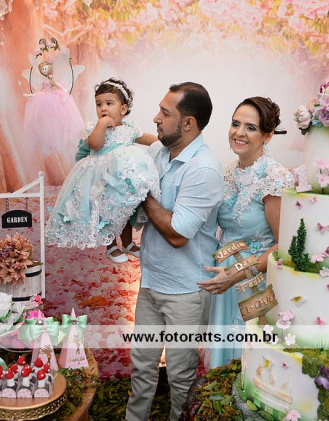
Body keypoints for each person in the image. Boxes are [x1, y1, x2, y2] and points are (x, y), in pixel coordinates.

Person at [126, 82, 223, 421]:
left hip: (185, 292)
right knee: (141, 367)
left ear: (188, 123)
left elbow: (178, 234)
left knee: (181, 378)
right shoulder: (161, 153)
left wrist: (141, 190)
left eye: (165, 113)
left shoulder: (204, 169)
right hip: (151, 282)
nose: (156, 117)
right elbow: (146, 140)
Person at [197, 97, 294, 369]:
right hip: (222, 279)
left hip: (253, 285)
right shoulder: (228, 170)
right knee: (219, 366)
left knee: (248, 365)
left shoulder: (274, 177)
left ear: (268, 135)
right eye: (235, 124)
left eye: (250, 127)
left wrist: (237, 273)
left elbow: (284, 245)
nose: (239, 133)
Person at [45, 78, 159, 261]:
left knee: (124, 210)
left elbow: (146, 138)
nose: (103, 108)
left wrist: (162, 143)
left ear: (123, 109)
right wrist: (102, 125)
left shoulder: (129, 129)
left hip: (120, 181)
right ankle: (111, 246)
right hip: (100, 179)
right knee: (106, 213)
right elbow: (95, 145)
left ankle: (128, 243)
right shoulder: (95, 127)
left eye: (109, 103)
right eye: (99, 104)